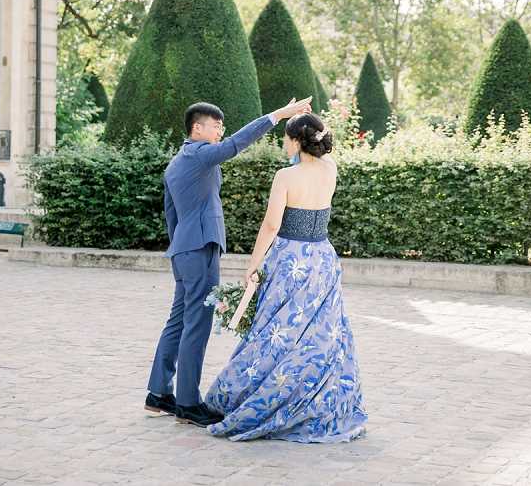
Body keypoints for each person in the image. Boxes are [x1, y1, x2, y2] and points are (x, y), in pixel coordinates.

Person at [145, 97, 312, 428]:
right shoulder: (198, 155)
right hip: (200, 248)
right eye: (216, 125)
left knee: (178, 321)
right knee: (197, 324)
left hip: (184, 249)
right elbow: (236, 145)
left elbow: (171, 214)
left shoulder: (178, 162)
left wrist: (180, 245)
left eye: (222, 125)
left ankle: (158, 394)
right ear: (197, 128)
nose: (222, 130)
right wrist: (278, 116)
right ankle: (188, 403)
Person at [205, 112, 368, 442]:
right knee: (321, 332)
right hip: (321, 258)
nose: (282, 142)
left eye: (285, 137)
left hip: (290, 259)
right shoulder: (330, 168)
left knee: (276, 329)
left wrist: (253, 264)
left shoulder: (286, 176)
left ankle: (261, 397)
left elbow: (271, 225)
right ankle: (313, 399)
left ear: (296, 141)